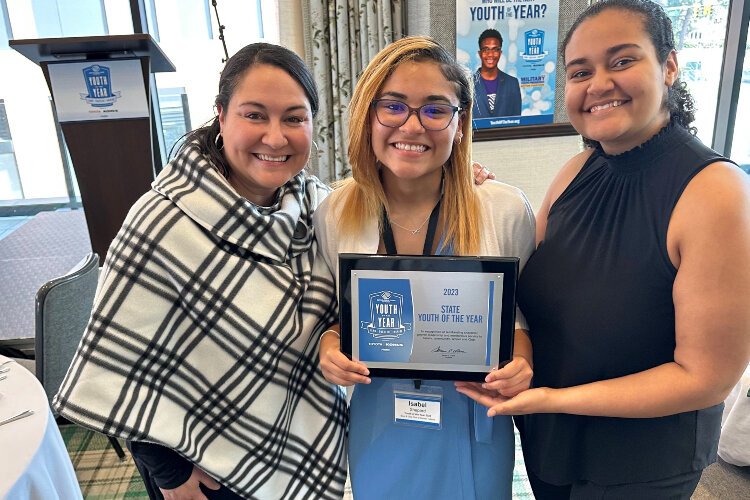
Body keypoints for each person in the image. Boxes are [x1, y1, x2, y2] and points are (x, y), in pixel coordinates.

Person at [455, 1, 750, 498]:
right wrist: (465, 187)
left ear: (669, 66)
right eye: (579, 71)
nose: (598, 84)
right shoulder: (575, 173)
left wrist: (556, 399)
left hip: (639, 460)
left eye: (621, 61)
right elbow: (522, 288)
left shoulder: (717, 192)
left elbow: (704, 379)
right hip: (549, 437)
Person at [53, 43, 349, 499]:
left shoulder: (321, 207)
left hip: (299, 442)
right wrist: (168, 474)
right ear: (221, 114)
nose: (275, 137)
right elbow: (125, 361)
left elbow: (383, 232)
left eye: (294, 117)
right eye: (255, 115)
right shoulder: (163, 219)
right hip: (200, 467)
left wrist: (452, 181)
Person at [315, 36, 536, 499]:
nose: (412, 126)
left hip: (473, 417)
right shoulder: (334, 212)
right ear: (367, 117)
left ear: (460, 125)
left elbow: (518, 319)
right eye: (393, 107)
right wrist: (331, 345)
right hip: (379, 421)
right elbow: (336, 315)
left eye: (436, 110)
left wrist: (523, 362)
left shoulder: (503, 209)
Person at [473, 28, 522, 118]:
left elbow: (516, 119)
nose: (490, 54)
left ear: (500, 53)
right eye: (486, 49)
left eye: (495, 49)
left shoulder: (512, 83)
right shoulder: (468, 84)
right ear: (480, 53)